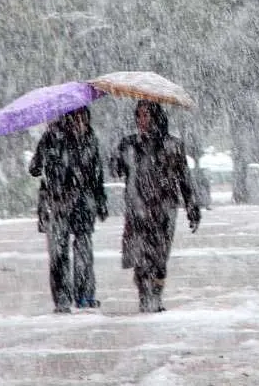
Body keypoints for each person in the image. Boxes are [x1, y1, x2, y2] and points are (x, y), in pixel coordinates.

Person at [111, 100, 202, 313]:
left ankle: (156, 294)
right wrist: (117, 157)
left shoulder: (173, 145)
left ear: (156, 117)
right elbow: (117, 171)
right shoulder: (130, 144)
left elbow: (184, 178)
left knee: (160, 258)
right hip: (137, 207)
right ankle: (145, 297)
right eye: (139, 116)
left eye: (146, 115)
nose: (142, 121)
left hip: (164, 208)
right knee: (140, 257)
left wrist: (191, 206)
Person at [29, 108, 108, 313]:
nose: (79, 122)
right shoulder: (51, 138)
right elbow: (34, 168)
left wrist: (101, 201)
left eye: (83, 118)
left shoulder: (90, 139)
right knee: (58, 254)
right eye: (75, 118)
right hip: (57, 203)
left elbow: (97, 174)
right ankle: (62, 299)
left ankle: (84, 295)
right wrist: (47, 151)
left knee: (83, 251)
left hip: (82, 203)